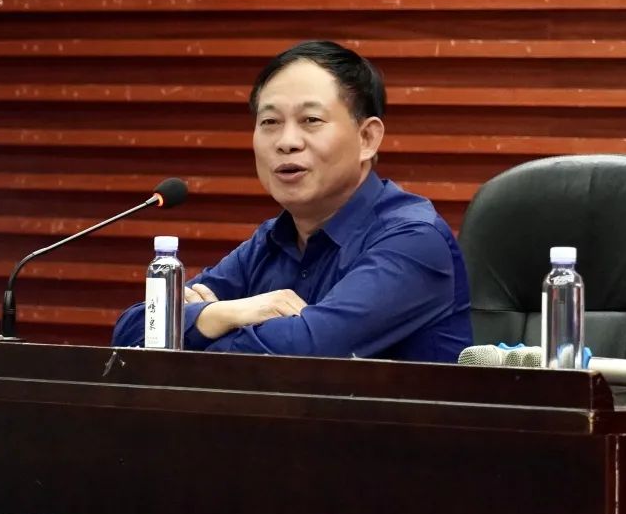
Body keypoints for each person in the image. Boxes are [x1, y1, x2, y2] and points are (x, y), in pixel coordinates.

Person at [112, 40, 471, 361]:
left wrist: (193, 331)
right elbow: (132, 333)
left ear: (367, 138)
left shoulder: (413, 240)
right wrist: (221, 314)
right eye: (270, 122)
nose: (286, 142)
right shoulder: (271, 241)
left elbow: (301, 354)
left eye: (311, 120)